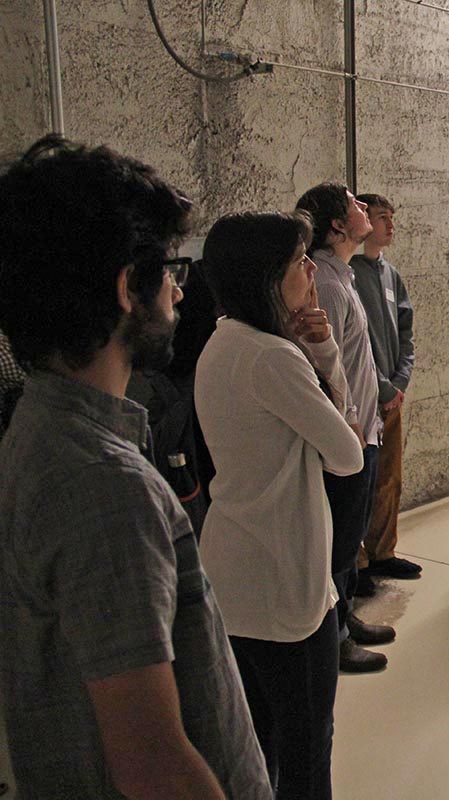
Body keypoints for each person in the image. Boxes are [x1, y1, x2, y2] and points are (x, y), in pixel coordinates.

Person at [0, 136, 271, 798]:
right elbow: (152, 763)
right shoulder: (104, 484)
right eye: (169, 270)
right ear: (128, 288)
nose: (179, 291)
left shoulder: (39, 427)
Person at [196, 212, 363, 799]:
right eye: (299, 261)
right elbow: (347, 452)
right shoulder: (272, 355)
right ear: (266, 277)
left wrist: (315, 347)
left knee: (256, 743)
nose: (312, 270)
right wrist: (320, 353)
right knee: (306, 749)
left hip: (235, 568)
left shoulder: (222, 340)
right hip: (286, 574)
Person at [297, 183, 396, 672]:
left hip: (364, 428)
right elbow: (321, 369)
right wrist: (349, 426)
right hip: (348, 435)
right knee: (339, 541)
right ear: (336, 226)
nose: (366, 211)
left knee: (351, 534)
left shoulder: (343, 277)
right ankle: (333, 639)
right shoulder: (330, 286)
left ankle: (346, 616)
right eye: (357, 207)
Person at [350, 193, 422, 590]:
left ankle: (383, 552)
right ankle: (356, 561)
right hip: (364, 395)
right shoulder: (350, 274)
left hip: (392, 394)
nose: (390, 225)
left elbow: (405, 332)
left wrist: (399, 383)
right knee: (363, 479)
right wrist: (380, 387)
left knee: (390, 477)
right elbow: (356, 344)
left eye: (392, 217)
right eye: (381, 217)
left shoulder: (390, 274)